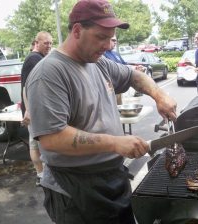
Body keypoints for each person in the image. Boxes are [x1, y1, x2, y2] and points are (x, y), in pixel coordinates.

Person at [25, 0, 177, 223]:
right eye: (101, 37)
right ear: (77, 30)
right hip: (75, 188)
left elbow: (134, 76)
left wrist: (159, 95)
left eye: (111, 37)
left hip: (113, 178)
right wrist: (115, 143)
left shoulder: (98, 63)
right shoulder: (49, 73)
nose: (109, 45)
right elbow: (51, 138)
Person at [21, 31, 53, 186]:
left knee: (37, 143)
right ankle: (41, 175)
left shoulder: (38, 58)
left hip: (35, 109)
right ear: (36, 42)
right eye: (46, 43)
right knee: (36, 144)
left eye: (51, 43)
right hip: (33, 111)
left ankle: (42, 174)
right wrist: (28, 110)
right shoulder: (34, 59)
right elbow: (27, 87)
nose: (49, 46)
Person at [104, 35, 126, 104]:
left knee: (119, 109)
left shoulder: (116, 54)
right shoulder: (102, 54)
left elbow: (125, 65)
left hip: (119, 88)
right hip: (109, 90)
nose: (115, 42)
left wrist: (136, 67)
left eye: (116, 40)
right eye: (113, 40)